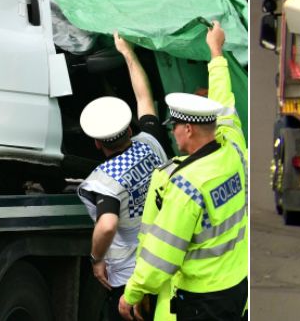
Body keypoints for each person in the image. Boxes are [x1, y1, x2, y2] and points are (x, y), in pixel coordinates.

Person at [120, 21, 248, 321]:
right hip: (236, 287)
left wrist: (133, 294)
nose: (172, 133)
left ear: (188, 129)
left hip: (198, 300)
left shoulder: (186, 186)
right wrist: (215, 51)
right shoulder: (235, 147)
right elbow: (223, 98)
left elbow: (161, 256)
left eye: (174, 126)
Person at [76, 32, 173, 321]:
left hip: (130, 278)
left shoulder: (104, 180)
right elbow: (145, 98)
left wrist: (96, 260)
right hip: (163, 262)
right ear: (130, 130)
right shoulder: (151, 142)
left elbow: (107, 225)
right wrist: (127, 53)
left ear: (96, 143)